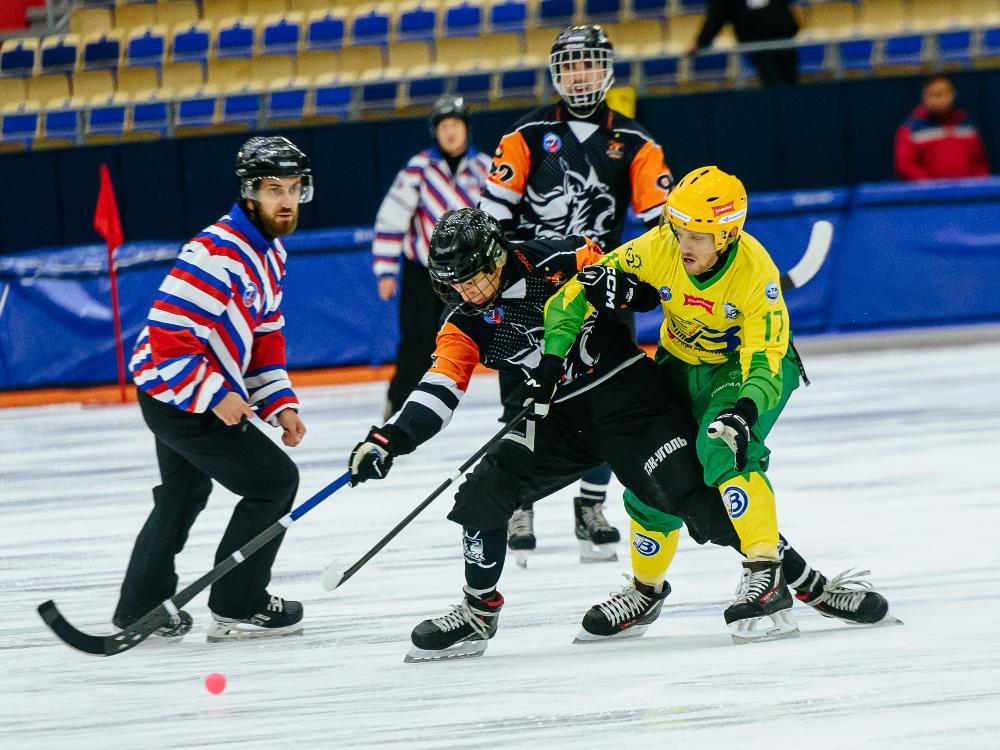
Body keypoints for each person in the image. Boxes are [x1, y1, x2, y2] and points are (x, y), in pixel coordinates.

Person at [346, 208, 889, 660]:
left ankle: (810, 586)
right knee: (484, 491)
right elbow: (438, 390)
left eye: (474, 277)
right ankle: (477, 610)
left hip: (631, 397)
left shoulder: (561, 257)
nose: (467, 290)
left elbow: (649, 287)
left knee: (697, 501)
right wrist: (390, 439)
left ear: (497, 256)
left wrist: (623, 290)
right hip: (557, 417)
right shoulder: (462, 322)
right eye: (455, 282)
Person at [544, 165, 892, 642]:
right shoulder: (660, 246)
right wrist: (552, 356)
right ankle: (647, 591)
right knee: (651, 468)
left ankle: (766, 573)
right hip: (680, 364)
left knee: (722, 446)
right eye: (679, 230)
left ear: (727, 235)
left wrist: (745, 409)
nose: (683, 244)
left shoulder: (755, 273)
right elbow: (573, 296)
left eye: (698, 236)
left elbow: (765, 356)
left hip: (743, 372)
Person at [479, 24, 675, 562]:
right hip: (529, 292)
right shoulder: (524, 136)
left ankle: (591, 506)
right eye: (570, 65)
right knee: (523, 402)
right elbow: (492, 220)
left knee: (607, 401)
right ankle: (518, 502)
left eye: (588, 63)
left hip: (601, 288)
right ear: (556, 74)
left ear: (606, 71)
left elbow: (663, 230)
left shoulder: (636, 143)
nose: (579, 75)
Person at [112, 136, 312, 643]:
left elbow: (265, 335)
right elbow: (166, 336)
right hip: (180, 397)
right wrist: (215, 394)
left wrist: (279, 403)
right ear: (250, 193)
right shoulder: (216, 252)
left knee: (183, 493)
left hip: (173, 394)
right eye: (274, 190)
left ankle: (140, 606)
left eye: (294, 189)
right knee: (273, 483)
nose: (286, 201)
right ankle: (238, 602)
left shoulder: (269, 251)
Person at [374, 95, 492, 420]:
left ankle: (444, 407)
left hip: (469, 274)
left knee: (470, 337)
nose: (450, 132)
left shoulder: (485, 168)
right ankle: (398, 407)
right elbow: (391, 219)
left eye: (455, 124)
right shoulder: (419, 169)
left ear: (466, 128)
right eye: (444, 126)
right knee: (416, 342)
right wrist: (386, 271)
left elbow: (499, 218)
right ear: (436, 132)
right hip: (422, 273)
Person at [894, 75, 990, 181]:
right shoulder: (911, 128)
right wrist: (931, 186)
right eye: (934, 94)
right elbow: (905, 166)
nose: (940, 99)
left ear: (953, 94)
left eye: (945, 93)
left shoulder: (967, 125)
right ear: (924, 96)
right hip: (928, 190)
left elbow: (979, 163)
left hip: (967, 189)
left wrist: (977, 185)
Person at [686, 0, 800, 85]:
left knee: (790, 84)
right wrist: (700, 42)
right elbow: (716, 17)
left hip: (784, 39)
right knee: (775, 84)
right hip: (757, 45)